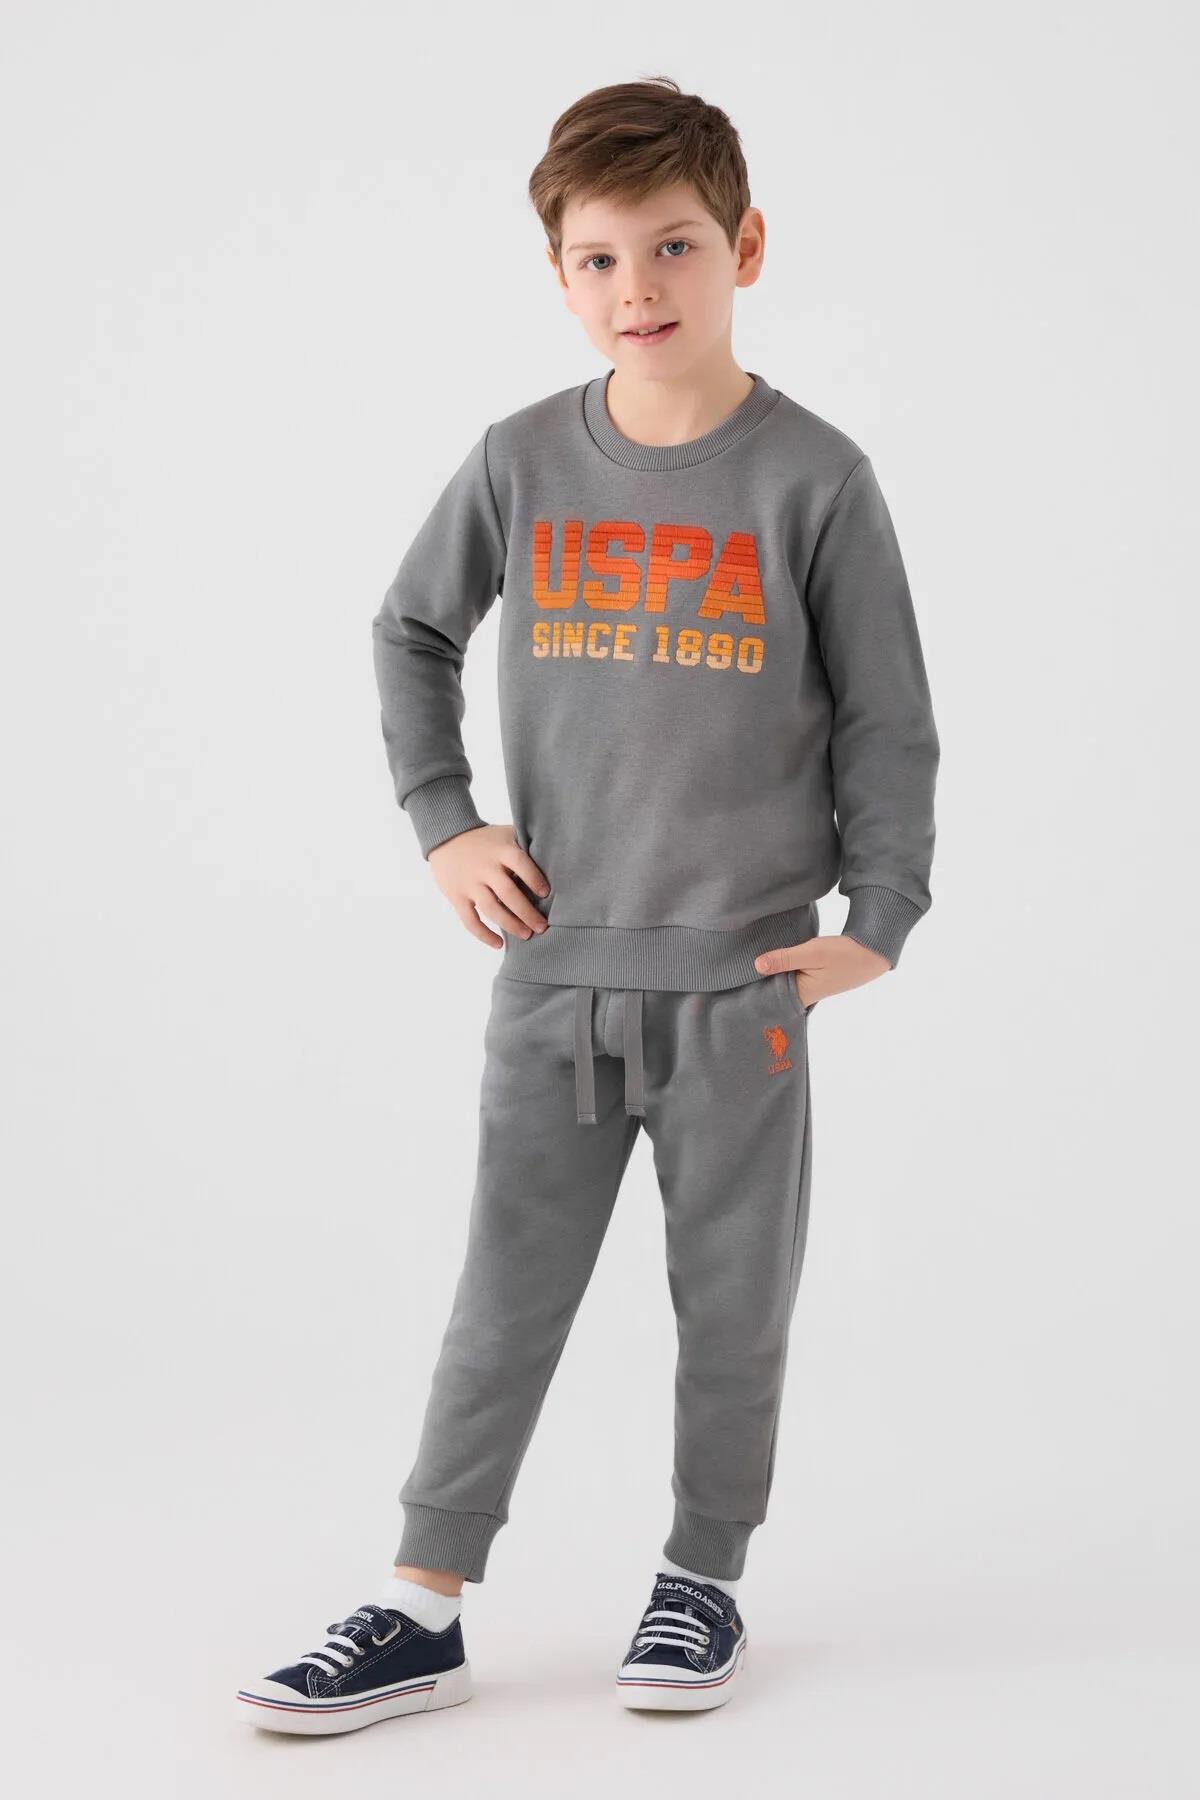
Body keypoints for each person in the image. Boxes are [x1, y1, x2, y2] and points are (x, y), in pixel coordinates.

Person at [236, 74, 939, 1732]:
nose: (640, 289)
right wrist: (445, 824)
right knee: (505, 1295)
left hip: (744, 987)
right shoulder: (521, 462)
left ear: (744, 247)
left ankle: (703, 1579)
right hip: (555, 975)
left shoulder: (817, 480)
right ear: (559, 275)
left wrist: (879, 919)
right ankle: (422, 1604)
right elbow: (411, 631)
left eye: (675, 246)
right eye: (601, 259)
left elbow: (891, 718)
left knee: (732, 1305)